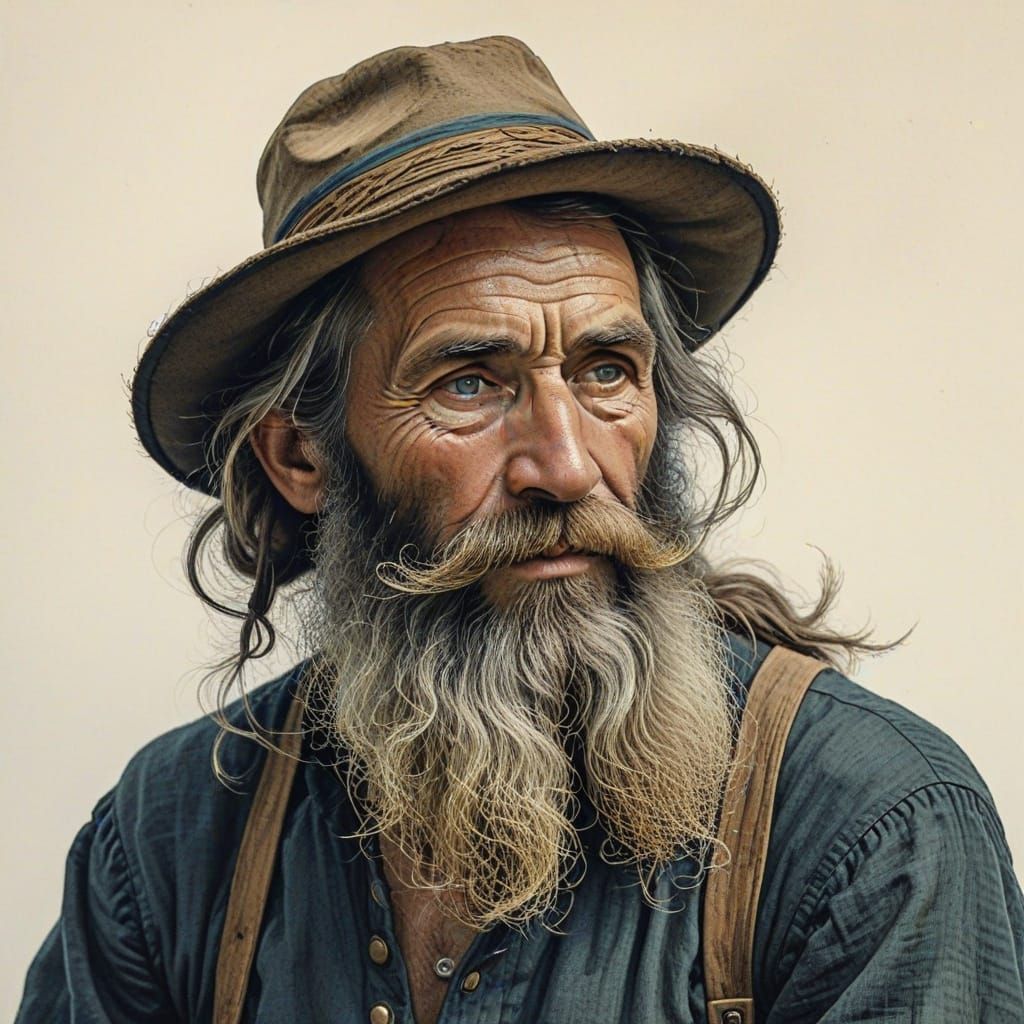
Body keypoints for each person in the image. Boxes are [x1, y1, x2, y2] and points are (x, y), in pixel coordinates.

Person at [16, 35, 1024, 1024]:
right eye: (467, 382)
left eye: (603, 371)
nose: (568, 463)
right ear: (302, 458)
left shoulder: (871, 825)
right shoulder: (168, 839)